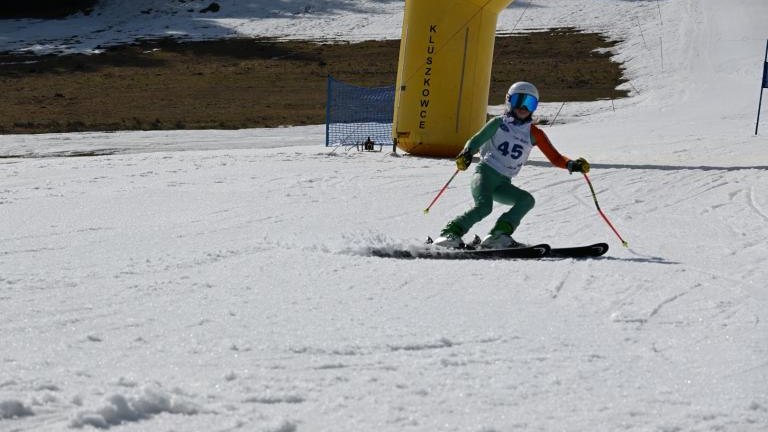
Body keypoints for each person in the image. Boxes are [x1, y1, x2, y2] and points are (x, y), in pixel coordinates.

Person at [433, 81, 590, 249]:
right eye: (518, 101)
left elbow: (556, 158)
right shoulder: (499, 123)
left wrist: (571, 165)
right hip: (485, 174)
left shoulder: (535, 134)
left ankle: (497, 235)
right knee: (484, 207)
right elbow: (476, 140)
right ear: (509, 101)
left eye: (529, 103)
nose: (523, 107)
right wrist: (467, 153)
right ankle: (449, 234)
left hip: (503, 183)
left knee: (526, 200)